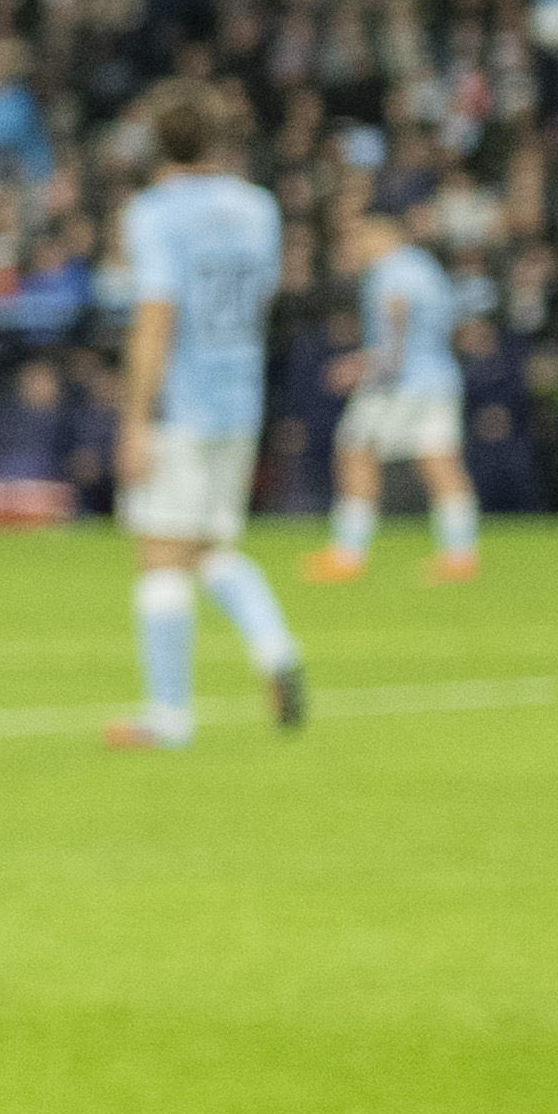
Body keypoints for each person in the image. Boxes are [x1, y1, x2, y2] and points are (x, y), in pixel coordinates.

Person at [106, 84, 309, 750]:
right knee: (207, 549)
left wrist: (134, 419)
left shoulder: (154, 213)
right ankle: (274, 648)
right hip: (238, 397)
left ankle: (168, 717)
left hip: (181, 406)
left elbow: (157, 313)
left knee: (159, 556)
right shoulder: (258, 209)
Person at [312, 206, 476, 585]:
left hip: (398, 384)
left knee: (355, 452)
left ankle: (348, 554)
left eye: (360, 237)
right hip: (439, 378)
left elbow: (395, 320)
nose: (356, 246)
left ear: (381, 234)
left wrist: (366, 366)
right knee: (440, 462)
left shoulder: (390, 272)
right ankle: (461, 555)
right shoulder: (426, 267)